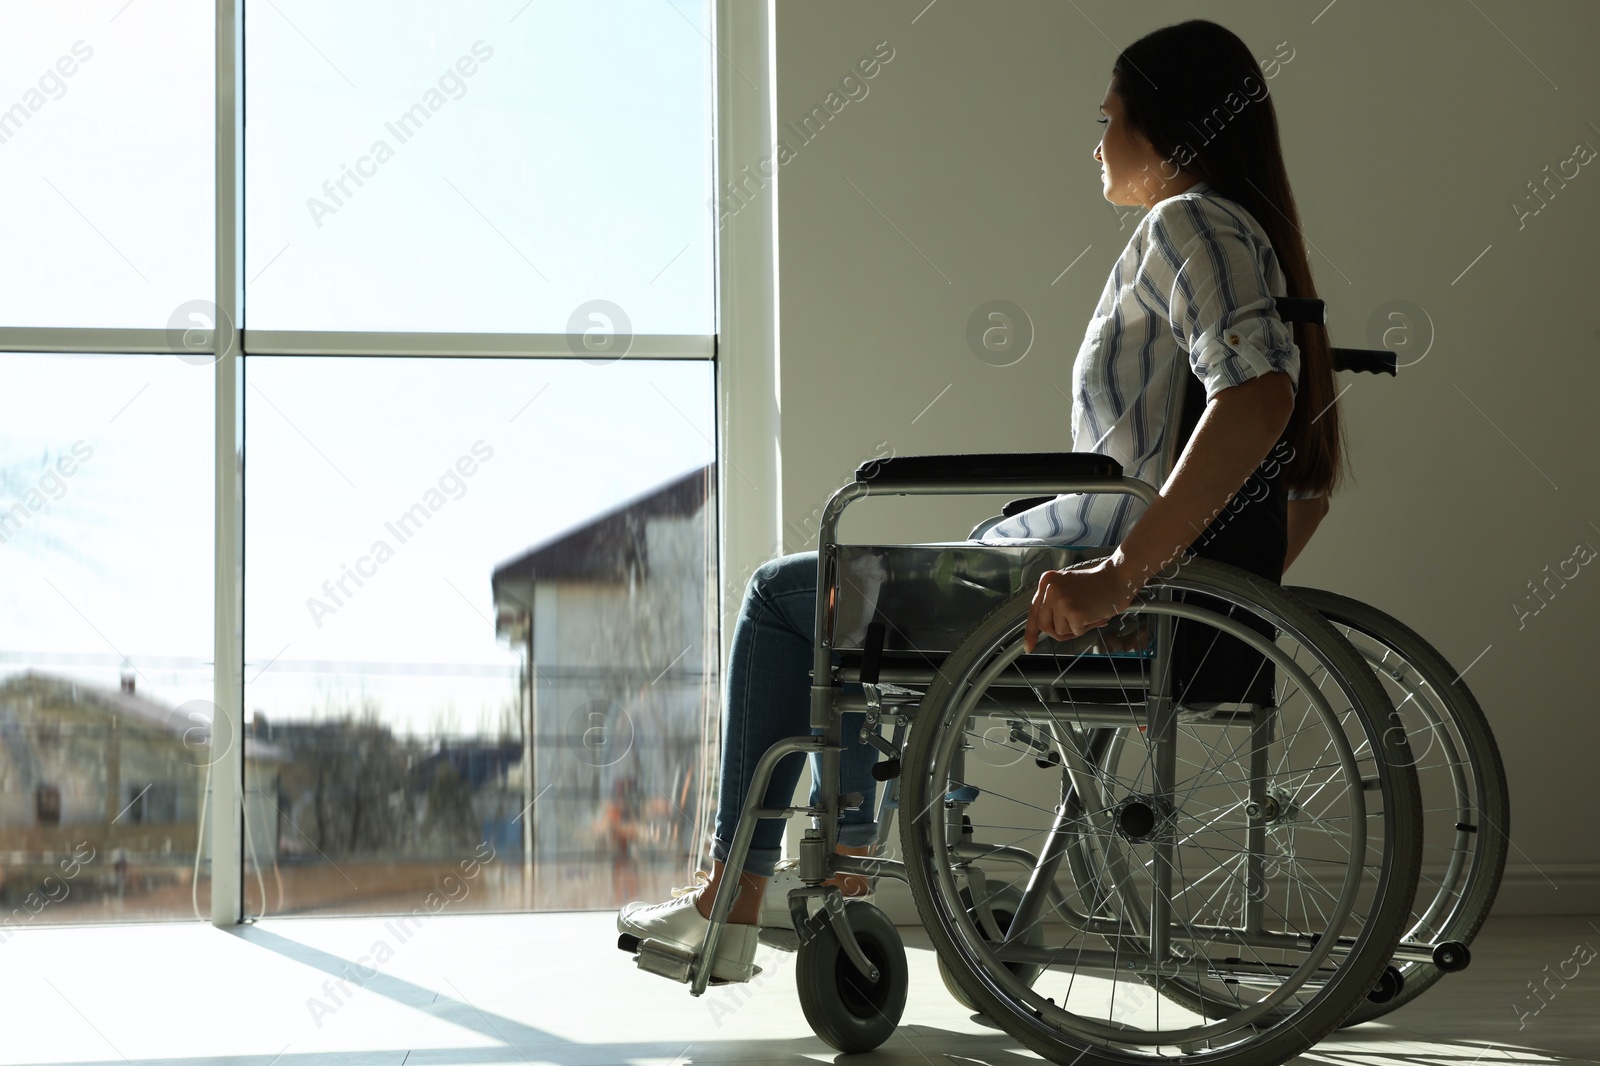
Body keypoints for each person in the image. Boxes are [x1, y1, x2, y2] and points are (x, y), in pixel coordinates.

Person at [617, 18, 1345, 983]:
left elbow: (1258, 400)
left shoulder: (1190, 223)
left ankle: (743, 895)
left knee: (786, 597)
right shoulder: (1239, 235)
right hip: (1101, 575)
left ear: (1166, 126)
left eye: (1110, 117)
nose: (1097, 142)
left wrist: (1130, 577)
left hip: (1085, 580)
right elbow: (1303, 493)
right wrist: (1210, 591)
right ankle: (832, 874)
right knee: (845, 610)